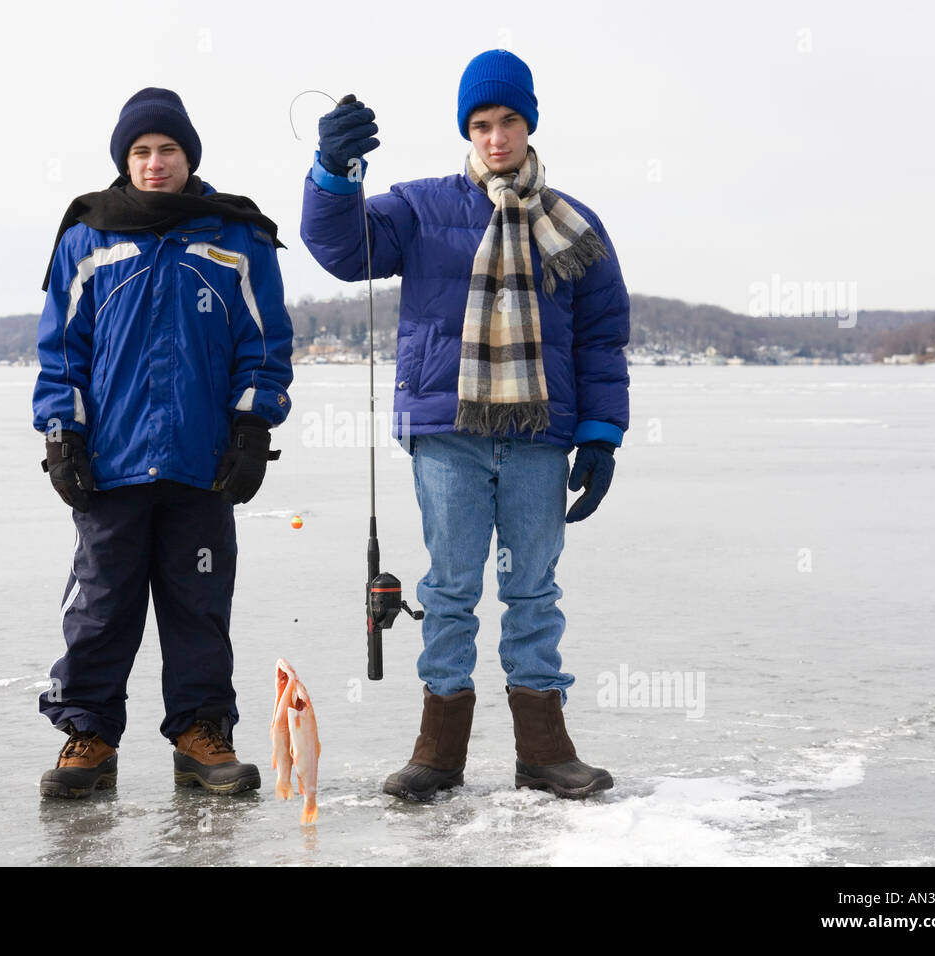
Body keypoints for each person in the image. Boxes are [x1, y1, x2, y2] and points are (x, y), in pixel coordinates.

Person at [299, 51, 629, 801]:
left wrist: (603, 433)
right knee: (449, 588)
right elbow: (343, 248)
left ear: (529, 123)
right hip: (447, 429)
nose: (496, 137)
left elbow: (602, 337)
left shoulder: (574, 225)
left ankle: (544, 750)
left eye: (508, 120)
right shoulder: (419, 208)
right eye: (481, 124)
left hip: (540, 431)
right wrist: (331, 172)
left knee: (534, 591)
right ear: (466, 132)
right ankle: (438, 752)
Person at [32, 87, 293, 798]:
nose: (154, 163)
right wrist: (63, 436)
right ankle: (89, 736)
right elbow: (62, 350)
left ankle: (200, 734)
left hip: (199, 463)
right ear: (125, 159)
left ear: (188, 157)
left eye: (167, 150)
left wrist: (251, 424)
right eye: (141, 151)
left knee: (198, 603)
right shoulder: (88, 236)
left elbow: (263, 344)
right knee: (100, 603)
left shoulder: (236, 236)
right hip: (110, 465)